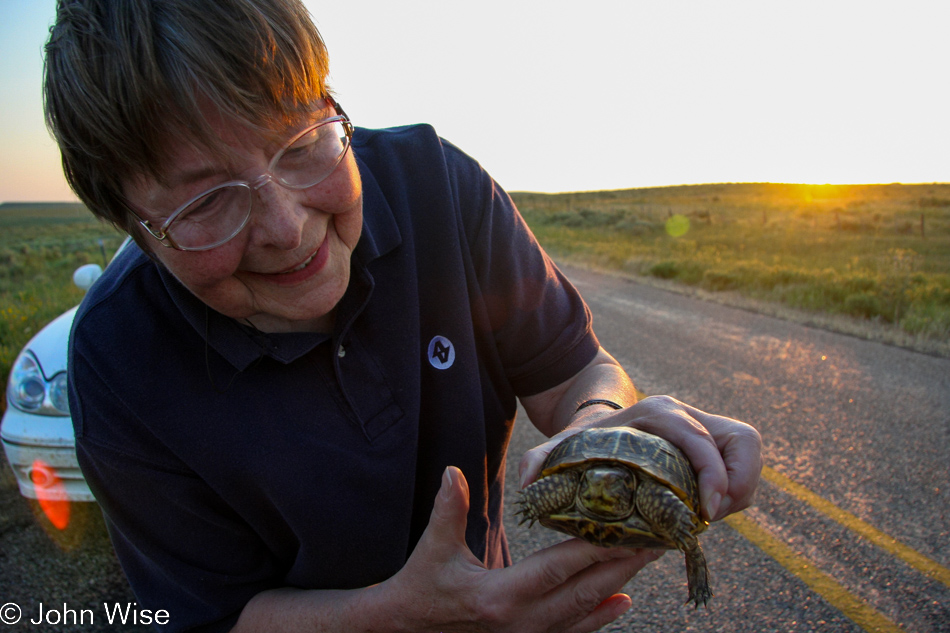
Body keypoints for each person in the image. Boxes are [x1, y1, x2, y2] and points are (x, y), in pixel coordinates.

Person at [45, 0, 762, 631]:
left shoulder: (437, 185)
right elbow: (208, 613)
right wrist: (392, 619)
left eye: (300, 145)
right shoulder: (117, 360)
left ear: (330, 101)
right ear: (133, 228)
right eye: (206, 202)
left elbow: (575, 368)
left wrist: (596, 424)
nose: (287, 227)